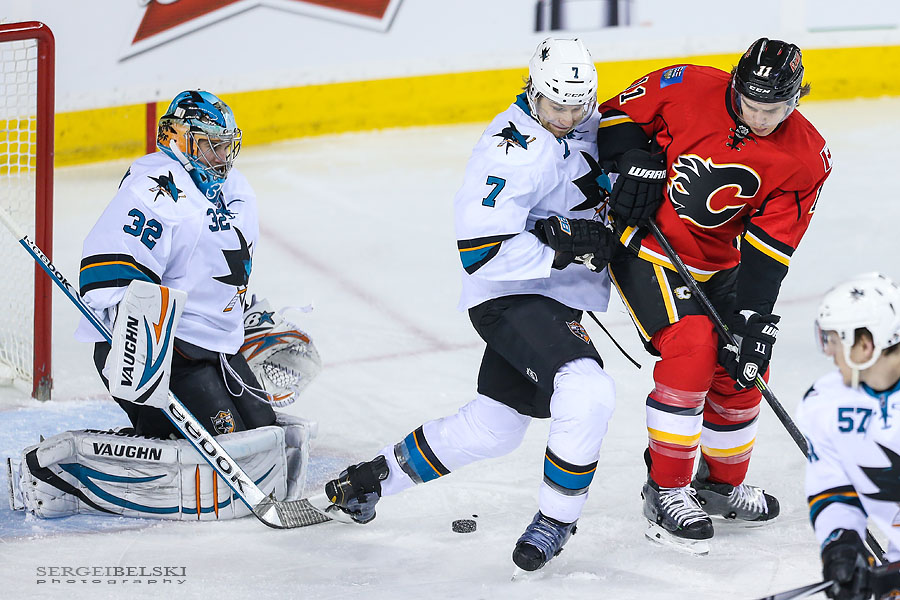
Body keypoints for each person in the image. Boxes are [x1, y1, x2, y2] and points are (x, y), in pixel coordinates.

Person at [310, 38, 618, 572]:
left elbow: (627, 126)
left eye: (577, 106)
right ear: (533, 91)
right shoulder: (511, 150)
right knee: (587, 390)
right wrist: (563, 243)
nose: (567, 117)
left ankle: (369, 479)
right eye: (556, 106)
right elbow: (480, 253)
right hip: (509, 296)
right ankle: (556, 520)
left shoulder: (581, 119)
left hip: (551, 299)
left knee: (495, 427)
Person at [6, 90, 321, 521]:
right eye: (209, 143)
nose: (220, 156)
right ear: (176, 138)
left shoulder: (237, 188)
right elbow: (107, 276)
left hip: (215, 351)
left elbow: (220, 269)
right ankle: (56, 466)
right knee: (221, 459)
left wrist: (240, 315)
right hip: (151, 351)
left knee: (265, 441)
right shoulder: (154, 190)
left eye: (226, 144)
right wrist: (143, 344)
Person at [593, 37, 832, 552]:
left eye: (774, 109)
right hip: (648, 245)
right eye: (752, 104)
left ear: (795, 99)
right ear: (736, 84)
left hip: (722, 263)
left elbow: (770, 250)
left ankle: (720, 487)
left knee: (746, 364)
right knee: (693, 345)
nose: (761, 117)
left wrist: (751, 319)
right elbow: (611, 119)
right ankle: (666, 489)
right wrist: (634, 157)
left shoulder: (806, 156)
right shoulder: (686, 85)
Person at [797, 273, 900, 600]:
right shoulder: (825, 403)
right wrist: (841, 546)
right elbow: (833, 486)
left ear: (865, 345)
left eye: (834, 340)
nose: (829, 352)